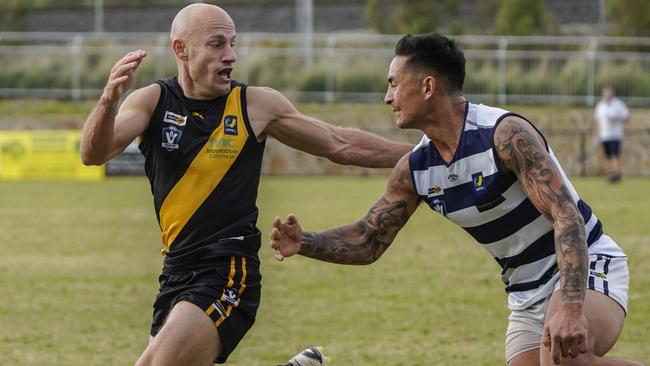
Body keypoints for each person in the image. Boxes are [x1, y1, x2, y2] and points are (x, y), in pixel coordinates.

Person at [270, 33, 644, 366]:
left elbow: (567, 217)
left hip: (585, 264)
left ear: (428, 87)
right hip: (524, 292)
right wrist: (304, 242)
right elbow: (369, 240)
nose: (387, 98)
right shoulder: (414, 169)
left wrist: (572, 304)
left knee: (562, 360)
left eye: (394, 84)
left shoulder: (504, 134)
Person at [79, 4, 411, 366]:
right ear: (181, 49)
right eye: (217, 44)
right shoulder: (152, 101)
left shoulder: (254, 105)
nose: (231, 56)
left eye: (233, 44)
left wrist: (420, 155)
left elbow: (339, 143)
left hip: (227, 270)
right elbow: (93, 153)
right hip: (175, 271)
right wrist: (108, 99)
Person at [593, 86, 629, 183]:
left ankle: (616, 173)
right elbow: (596, 122)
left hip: (615, 135)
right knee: (608, 156)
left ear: (612, 94)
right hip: (604, 135)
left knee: (614, 155)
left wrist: (616, 118)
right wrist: (596, 136)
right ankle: (611, 174)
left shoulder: (619, 104)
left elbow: (626, 117)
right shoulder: (600, 106)